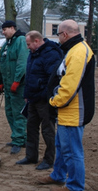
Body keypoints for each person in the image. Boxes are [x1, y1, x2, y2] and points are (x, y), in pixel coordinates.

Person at [37, 19, 95, 191]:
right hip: (66, 111)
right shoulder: (73, 50)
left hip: (73, 111)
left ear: (65, 34)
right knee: (62, 147)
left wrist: (54, 102)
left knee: (71, 152)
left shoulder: (79, 52)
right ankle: (58, 175)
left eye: (59, 34)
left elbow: (70, 85)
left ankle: (75, 186)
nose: (58, 39)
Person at [16, 31, 62, 170]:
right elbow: (29, 75)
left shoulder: (51, 54)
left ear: (36, 41)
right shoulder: (33, 53)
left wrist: (44, 96)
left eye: (29, 44)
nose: (27, 47)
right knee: (31, 127)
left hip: (44, 100)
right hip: (32, 98)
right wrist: (27, 94)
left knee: (47, 130)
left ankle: (49, 160)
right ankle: (31, 156)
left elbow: (52, 79)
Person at [0, 20, 29, 154]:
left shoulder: (21, 41)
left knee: (18, 113)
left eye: (5, 30)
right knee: (9, 112)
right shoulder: (7, 44)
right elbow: (3, 64)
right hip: (8, 86)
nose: (3, 32)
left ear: (12, 28)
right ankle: (18, 137)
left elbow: (22, 63)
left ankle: (19, 140)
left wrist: (17, 81)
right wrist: (1, 82)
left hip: (18, 86)